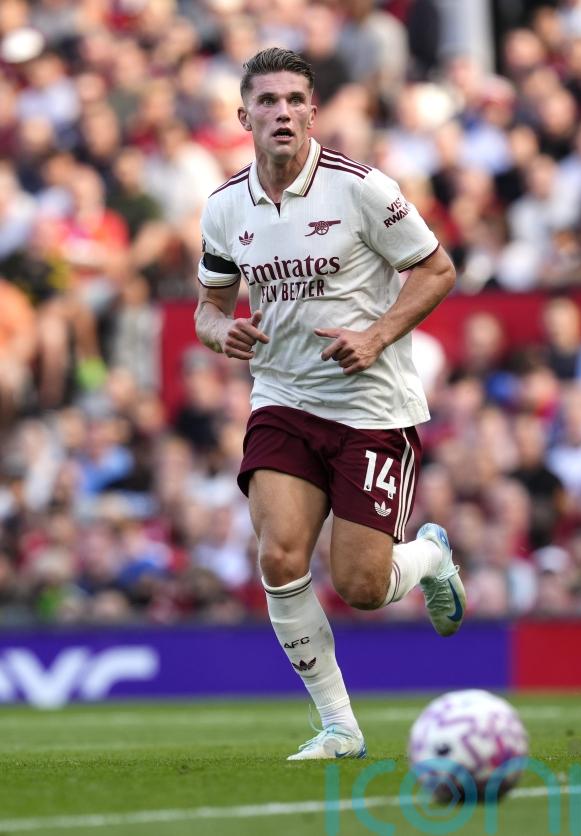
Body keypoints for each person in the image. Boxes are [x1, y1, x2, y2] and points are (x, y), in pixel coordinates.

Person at [194, 47, 464, 761]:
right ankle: (340, 727)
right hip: (282, 397)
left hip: (372, 406)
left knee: (363, 585)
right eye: (267, 100)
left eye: (294, 100)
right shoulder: (224, 207)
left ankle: (430, 556)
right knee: (279, 556)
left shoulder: (362, 189)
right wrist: (223, 331)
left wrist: (375, 336)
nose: (281, 112)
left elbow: (437, 270)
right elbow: (208, 307)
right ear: (244, 115)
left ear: (313, 112)